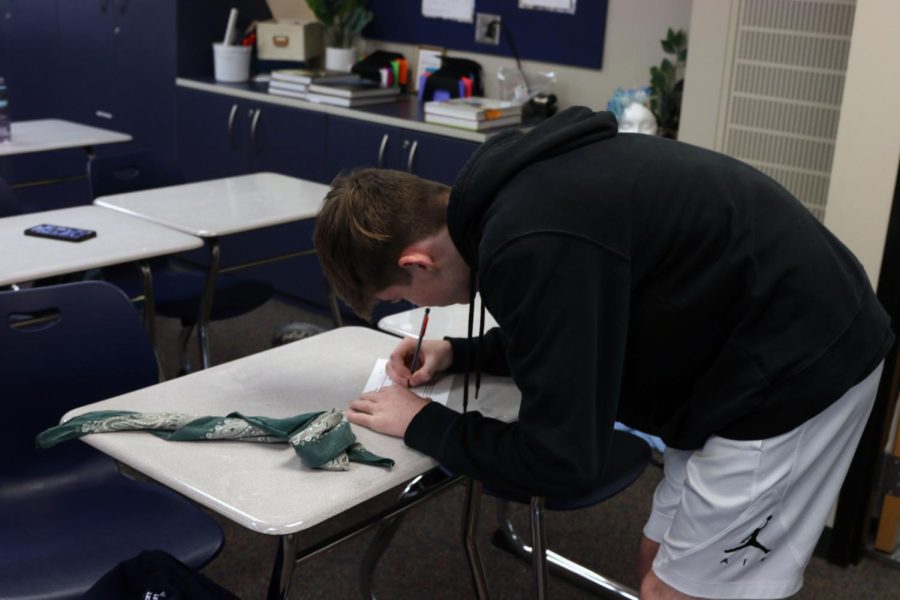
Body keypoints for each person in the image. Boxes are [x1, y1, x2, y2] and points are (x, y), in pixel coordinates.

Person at [313, 107, 893, 599]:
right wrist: (460, 354)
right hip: (731, 354)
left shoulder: (530, 241)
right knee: (655, 557)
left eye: (399, 297)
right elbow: (571, 326)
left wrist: (425, 423)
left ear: (417, 263)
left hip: (795, 371)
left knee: (679, 591)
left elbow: (560, 461)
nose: (413, 308)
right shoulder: (506, 198)